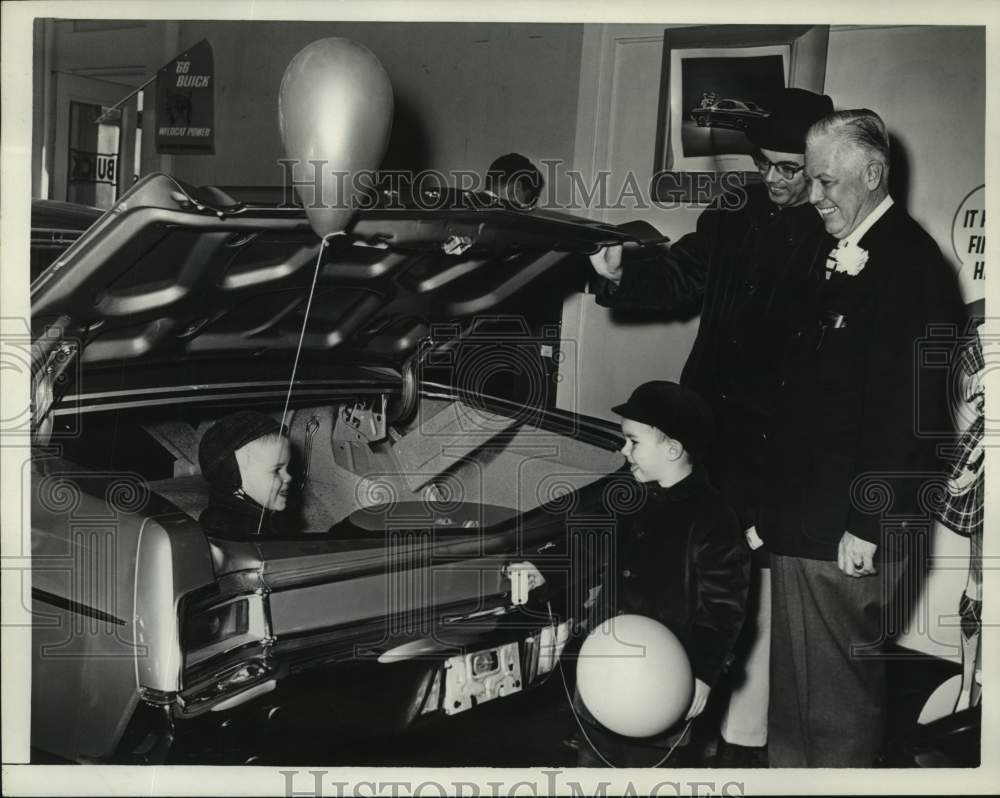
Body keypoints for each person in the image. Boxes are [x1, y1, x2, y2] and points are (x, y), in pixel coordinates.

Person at [589, 88, 835, 763]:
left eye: (796, 169)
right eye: (770, 165)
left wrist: (775, 494)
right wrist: (618, 277)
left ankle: (743, 751)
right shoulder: (732, 216)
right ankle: (664, 719)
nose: (780, 181)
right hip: (702, 431)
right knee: (680, 577)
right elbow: (679, 276)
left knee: (745, 596)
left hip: (773, 446)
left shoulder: (832, 233)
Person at [757, 109, 966, 767]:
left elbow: (912, 410)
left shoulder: (911, 265)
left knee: (838, 709)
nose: (812, 197)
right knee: (797, 705)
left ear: (873, 174)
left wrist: (868, 522)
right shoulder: (840, 251)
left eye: (824, 182)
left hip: (850, 528)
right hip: (812, 521)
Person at [573, 381, 750, 767]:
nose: (624, 451)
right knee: (591, 765)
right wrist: (542, 572)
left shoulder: (713, 518)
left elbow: (723, 607)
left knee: (646, 774)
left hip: (662, 678)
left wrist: (703, 673)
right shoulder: (628, 493)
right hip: (606, 667)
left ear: (672, 449)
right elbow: (585, 546)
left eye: (633, 442)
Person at [197, 410, 294, 536]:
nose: (289, 477)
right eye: (276, 470)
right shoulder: (226, 527)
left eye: (287, 469)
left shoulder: (266, 517)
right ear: (232, 476)